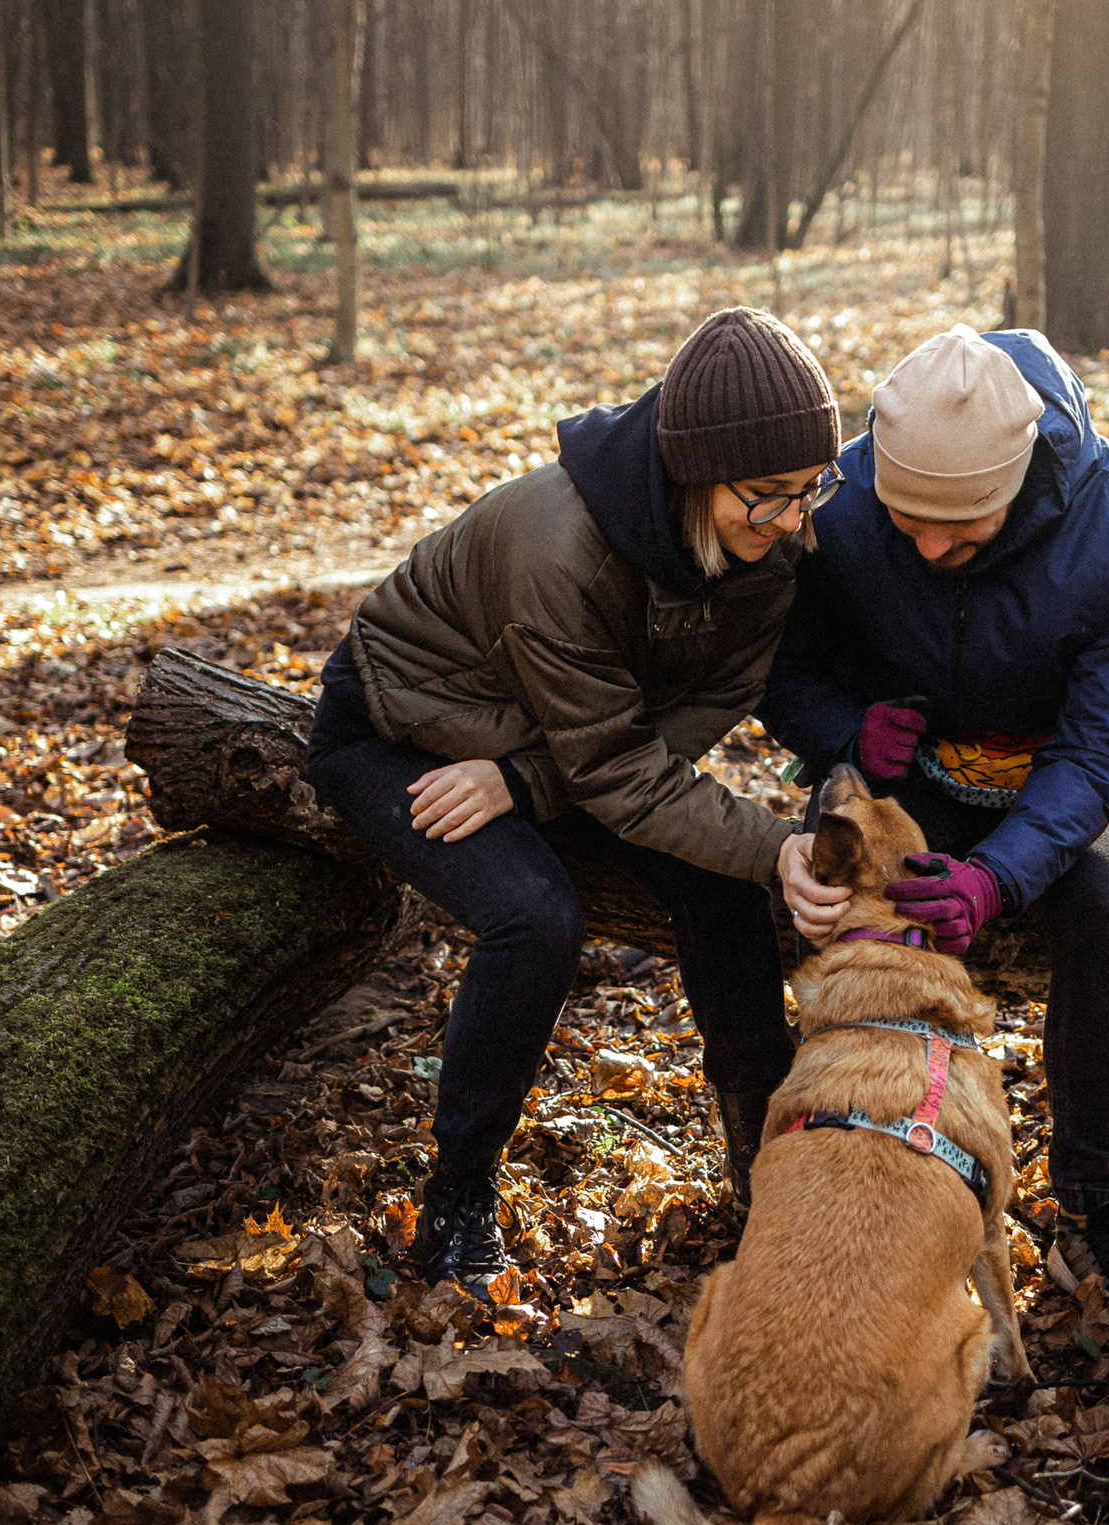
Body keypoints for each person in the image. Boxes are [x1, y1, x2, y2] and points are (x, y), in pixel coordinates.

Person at [305, 306, 843, 1292]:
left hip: (544, 750)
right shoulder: (564, 546)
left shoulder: (774, 541)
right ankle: (457, 1202)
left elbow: (708, 703)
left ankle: (766, 1169)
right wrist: (776, 844)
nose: (795, 521)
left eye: (813, 490)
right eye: (767, 497)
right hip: (400, 731)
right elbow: (620, 775)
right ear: (693, 470)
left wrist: (522, 782)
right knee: (533, 917)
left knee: (725, 896)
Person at [763, 323, 1109, 1321]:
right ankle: (791, 1160)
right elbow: (779, 666)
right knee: (808, 888)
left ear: (1024, 477)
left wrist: (997, 877)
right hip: (898, 768)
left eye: (962, 528)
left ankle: (1094, 1212)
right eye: (907, 522)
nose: (930, 547)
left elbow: (1100, 752)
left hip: (1056, 776)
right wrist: (847, 731)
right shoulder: (840, 498)